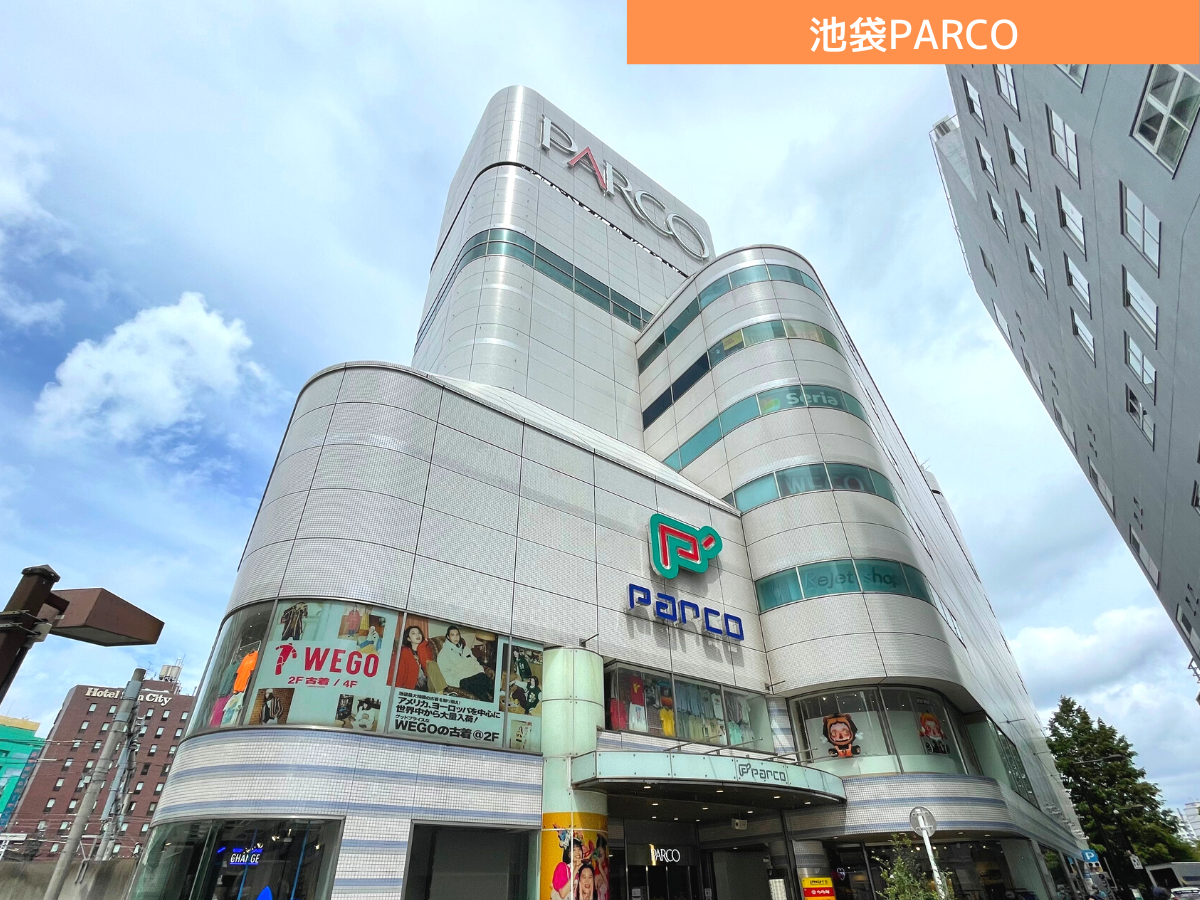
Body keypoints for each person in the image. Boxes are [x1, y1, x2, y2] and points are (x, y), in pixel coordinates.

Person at [436, 625, 492, 701]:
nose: (455, 637)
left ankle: (501, 701)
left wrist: (480, 671)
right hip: (463, 679)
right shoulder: (443, 654)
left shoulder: (465, 648)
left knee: (489, 683)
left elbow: (474, 661)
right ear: (448, 637)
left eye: (457, 635)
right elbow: (444, 674)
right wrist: (458, 682)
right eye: (452, 635)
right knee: (482, 693)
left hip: (476, 674)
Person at [395, 625, 435, 691]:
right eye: (413, 633)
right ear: (408, 639)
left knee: (433, 665)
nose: (417, 635)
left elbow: (428, 668)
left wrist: (421, 647)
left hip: (428, 682)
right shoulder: (404, 651)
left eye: (419, 633)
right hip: (414, 686)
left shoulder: (426, 649)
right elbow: (400, 672)